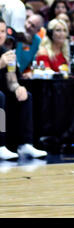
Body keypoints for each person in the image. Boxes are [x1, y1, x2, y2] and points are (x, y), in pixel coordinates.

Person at [0, 19, 47, 159]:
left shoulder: (7, 53)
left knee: (26, 95)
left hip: (3, 92)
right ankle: (0, 145)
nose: (0, 35)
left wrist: (17, 87)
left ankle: (26, 144)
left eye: (2, 31)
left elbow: (11, 79)